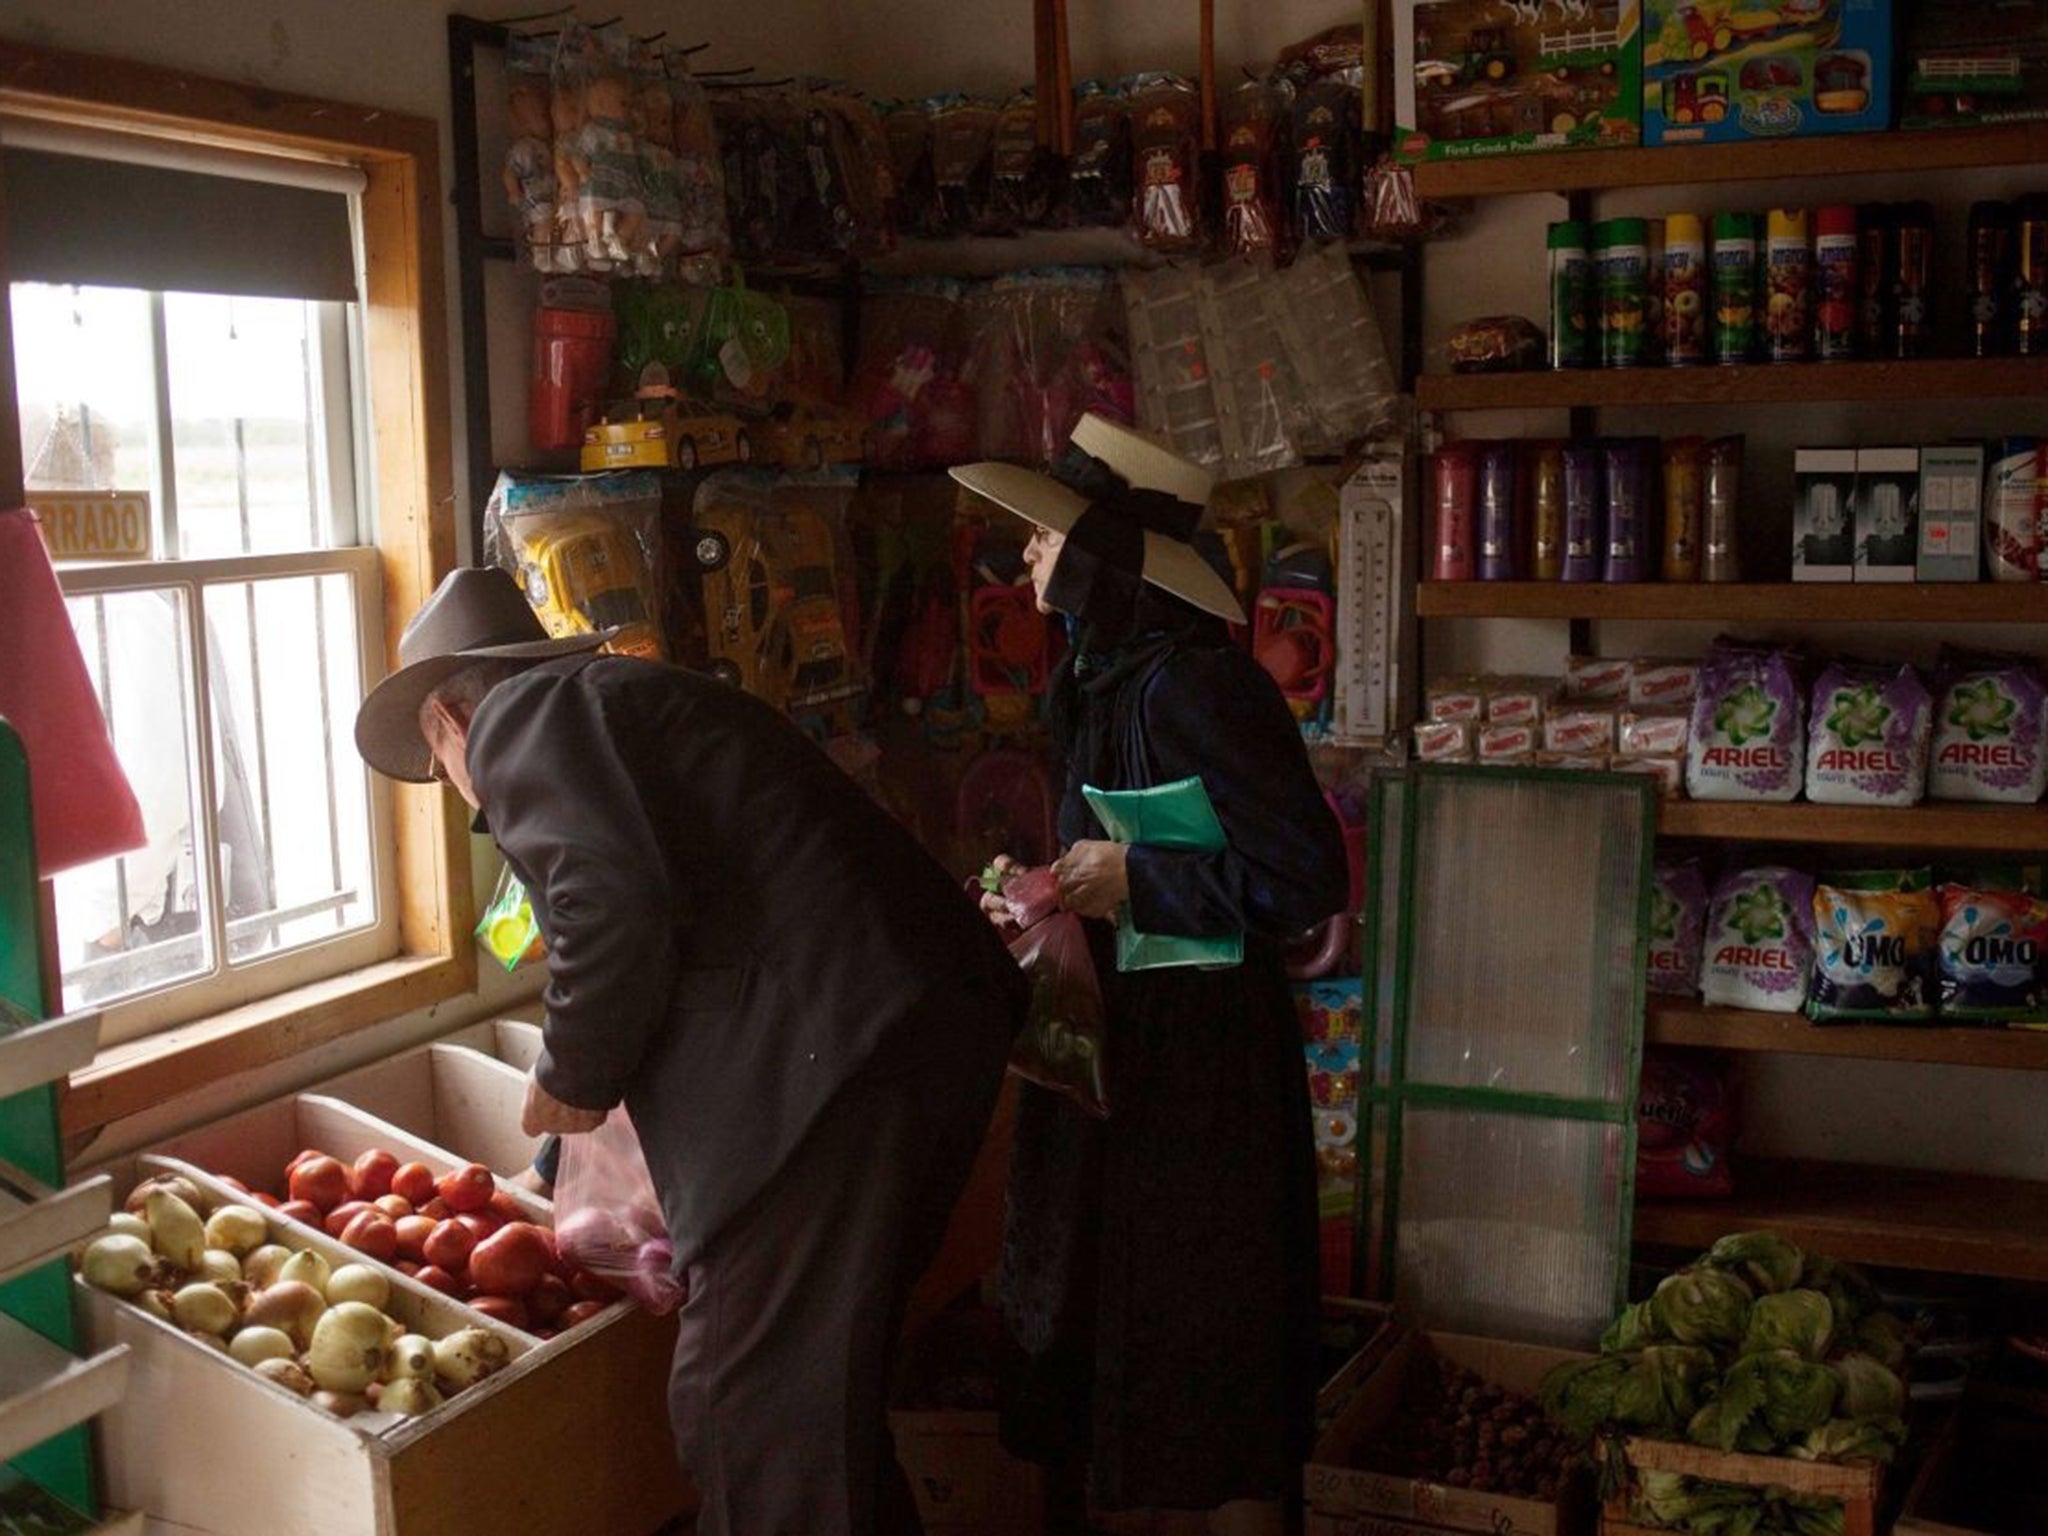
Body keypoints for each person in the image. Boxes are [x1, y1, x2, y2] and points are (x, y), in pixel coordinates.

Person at [352, 567, 1025, 1536]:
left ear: (448, 720)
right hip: (896, 1039)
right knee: (809, 1409)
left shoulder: (522, 714)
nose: (469, 795)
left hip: (840, 1058)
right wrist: (576, 1134)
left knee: (747, 1416)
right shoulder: (618, 704)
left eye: (443, 769)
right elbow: (666, 928)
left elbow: (605, 907)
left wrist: (568, 1078)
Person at [952, 417, 1348, 1535]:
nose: (1026, 556)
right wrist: (1045, 893)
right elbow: (1118, 858)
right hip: (1120, 1055)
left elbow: (1303, 878)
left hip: (1202, 1073)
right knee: (1116, 1325)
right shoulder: (1101, 672)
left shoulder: (1197, 689)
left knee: (1207, 1343)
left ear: (1104, 560)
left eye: (1046, 539)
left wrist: (1137, 882)